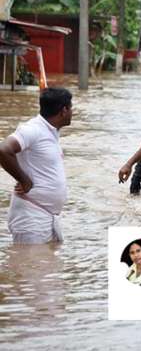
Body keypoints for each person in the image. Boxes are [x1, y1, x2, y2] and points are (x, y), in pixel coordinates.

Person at [0, 87, 73, 244]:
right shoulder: (33, 129)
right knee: (30, 267)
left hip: (47, 216)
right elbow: (3, 150)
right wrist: (24, 180)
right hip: (30, 217)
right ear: (64, 110)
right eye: (71, 107)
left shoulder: (50, 131)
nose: (72, 112)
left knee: (48, 266)